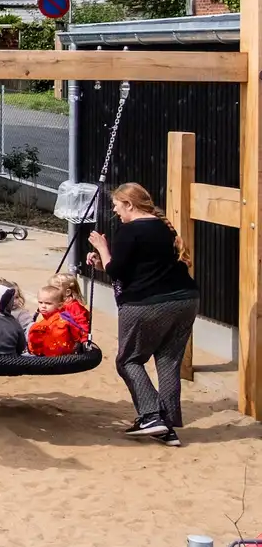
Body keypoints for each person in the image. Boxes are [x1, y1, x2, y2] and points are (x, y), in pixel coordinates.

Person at [87, 181, 198, 444]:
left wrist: (102, 247)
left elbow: (117, 271)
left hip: (147, 303)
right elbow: (133, 268)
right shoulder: (163, 227)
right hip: (186, 300)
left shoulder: (130, 230)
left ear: (129, 204)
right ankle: (166, 424)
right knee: (168, 360)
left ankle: (151, 416)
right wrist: (103, 263)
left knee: (128, 360)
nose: (115, 211)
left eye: (117, 206)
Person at [28, 278, 92, 357]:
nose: (43, 306)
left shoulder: (64, 317)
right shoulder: (46, 318)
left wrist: (84, 340)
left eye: (48, 303)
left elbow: (79, 328)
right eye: (40, 302)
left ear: (60, 305)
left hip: (59, 356)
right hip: (49, 353)